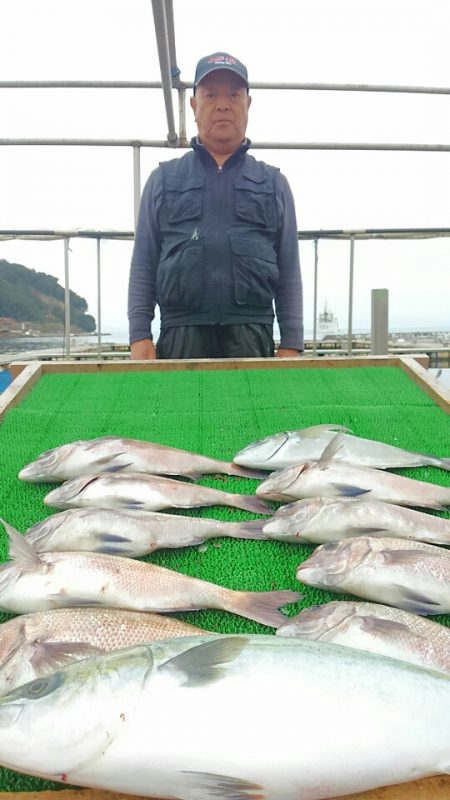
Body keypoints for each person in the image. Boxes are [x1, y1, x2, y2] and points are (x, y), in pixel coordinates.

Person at [128, 51, 304, 360]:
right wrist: (139, 335)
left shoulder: (274, 183)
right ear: (194, 106)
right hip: (180, 335)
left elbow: (289, 269)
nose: (223, 104)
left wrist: (292, 342)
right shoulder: (162, 180)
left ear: (248, 104)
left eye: (234, 95)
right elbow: (144, 261)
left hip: (252, 334)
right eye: (210, 95)